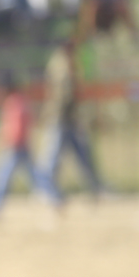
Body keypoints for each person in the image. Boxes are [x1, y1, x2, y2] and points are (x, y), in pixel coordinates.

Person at [38, 39, 102, 202]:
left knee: (82, 155)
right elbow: (64, 96)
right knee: (52, 157)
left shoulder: (60, 63)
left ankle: (95, 187)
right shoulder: (62, 66)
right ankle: (46, 190)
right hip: (61, 119)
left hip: (67, 119)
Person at [0, 72, 41, 216]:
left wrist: (10, 140)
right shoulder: (20, 100)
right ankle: (54, 199)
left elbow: (17, 126)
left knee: (1, 178)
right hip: (21, 145)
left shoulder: (14, 102)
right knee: (35, 175)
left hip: (14, 147)